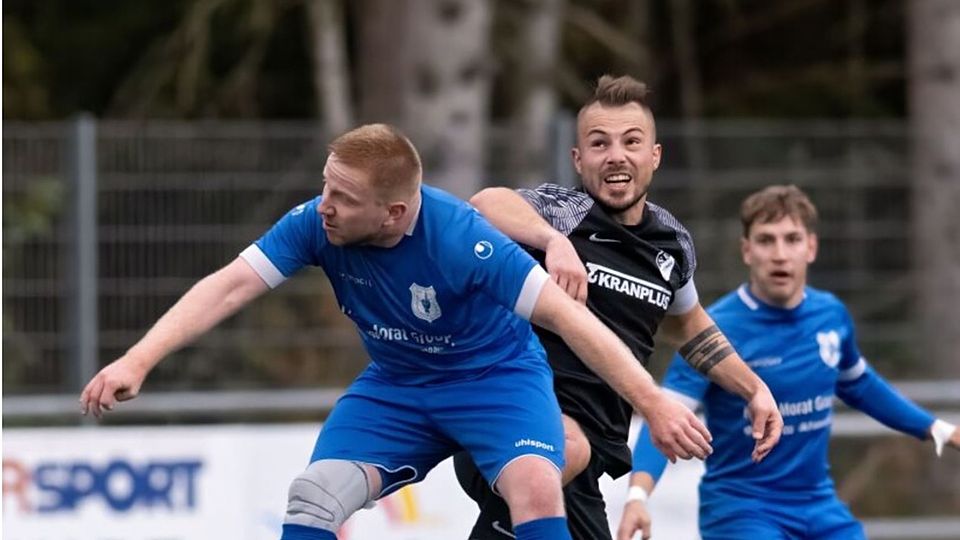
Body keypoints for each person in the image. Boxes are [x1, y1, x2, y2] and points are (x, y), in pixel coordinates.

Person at [79, 123, 717, 540]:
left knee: (536, 487)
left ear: (394, 212)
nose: (323, 204)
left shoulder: (463, 241)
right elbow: (231, 284)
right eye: (326, 186)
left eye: (342, 196)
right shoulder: (315, 223)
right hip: (398, 385)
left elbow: (569, 318)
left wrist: (653, 401)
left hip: (496, 380)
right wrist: (139, 359)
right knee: (313, 496)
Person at [454, 75, 783, 540]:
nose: (615, 156)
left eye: (631, 142)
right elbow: (485, 202)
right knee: (561, 455)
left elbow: (688, 324)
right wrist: (552, 243)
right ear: (578, 159)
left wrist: (754, 389)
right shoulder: (561, 212)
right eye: (599, 143)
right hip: (515, 427)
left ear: (654, 155)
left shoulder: (672, 243)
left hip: (590, 449)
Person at [619, 184, 960, 540]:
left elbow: (861, 385)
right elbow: (666, 418)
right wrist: (637, 497)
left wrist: (940, 430)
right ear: (747, 251)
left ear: (811, 247)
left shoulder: (830, 315)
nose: (780, 254)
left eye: (792, 239)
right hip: (742, 510)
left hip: (817, 504)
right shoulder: (711, 331)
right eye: (766, 241)